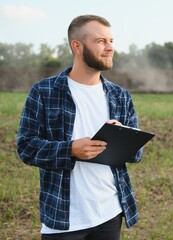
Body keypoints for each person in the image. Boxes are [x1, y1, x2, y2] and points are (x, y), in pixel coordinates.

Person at [16, 14, 143, 240]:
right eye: (101, 41)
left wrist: (123, 136)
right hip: (63, 217)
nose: (110, 48)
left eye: (111, 41)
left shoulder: (120, 96)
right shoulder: (44, 92)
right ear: (77, 46)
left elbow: (137, 154)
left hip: (109, 213)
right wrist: (71, 149)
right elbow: (26, 148)